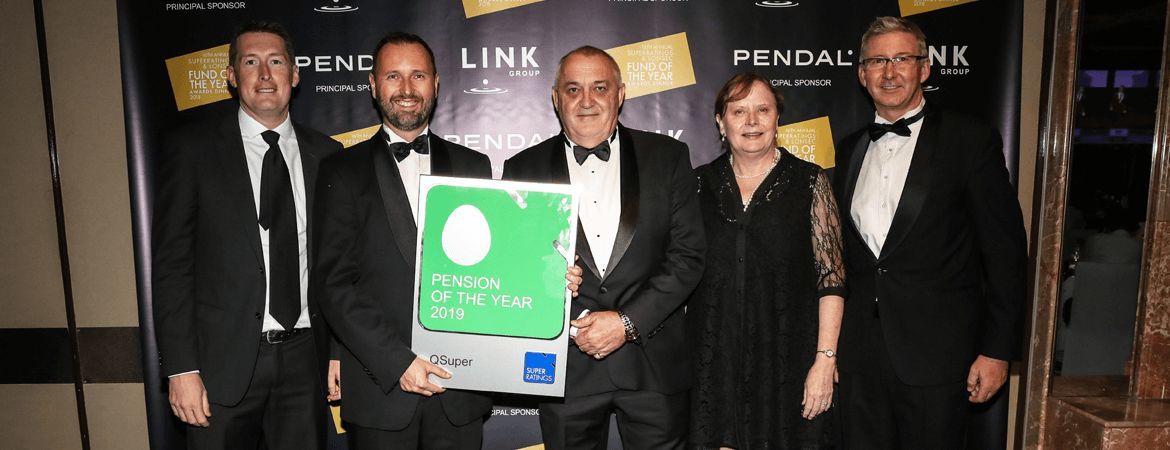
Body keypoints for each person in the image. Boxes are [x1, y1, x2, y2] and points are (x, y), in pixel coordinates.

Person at [832, 17, 1027, 450]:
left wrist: (997, 351)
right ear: (862, 75)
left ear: (925, 68)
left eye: (902, 58)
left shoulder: (970, 141)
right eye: (877, 61)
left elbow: (1005, 251)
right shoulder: (848, 150)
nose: (890, 71)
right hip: (861, 356)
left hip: (939, 357)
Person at [502, 46, 706, 450]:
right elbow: (516, 269)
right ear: (556, 97)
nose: (586, 100)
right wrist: (558, 298)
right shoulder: (521, 169)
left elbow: (687, 257)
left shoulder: (667, 157)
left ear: (621, 93)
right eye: (573, 89)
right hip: (564, 369)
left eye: (599, 87)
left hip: (652, 365)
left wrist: (626, 323)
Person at [152, 21, 341, 449]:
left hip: (305, 361)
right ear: (232, 76)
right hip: (220, 366)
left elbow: (340, 266)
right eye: (250, 62)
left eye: (276, 62)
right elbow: (171, 267)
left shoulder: (328, 155)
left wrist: (339, 352)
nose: (265, 74)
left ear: (295, 75)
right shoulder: (192, 150)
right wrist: (181, 369)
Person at [310, 32, 497, 449]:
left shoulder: (475, 166)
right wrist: (398, 363)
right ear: (374, 86)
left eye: (418, 76)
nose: (407, 89)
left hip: (460, 390)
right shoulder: (340, 171)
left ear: (436, 83)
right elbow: (334, 285)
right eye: (394, 76)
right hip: (381, 389)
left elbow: (493, 270)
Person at [687, 72, 845, 450]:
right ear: (720, 122)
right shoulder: (696, 185)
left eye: (763, 109)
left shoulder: (810, 182)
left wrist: (825, 361)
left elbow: (832, 280)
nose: (752, 121)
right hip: (714, 363)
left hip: (786, 361)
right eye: (739, 111)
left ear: (778, 118)